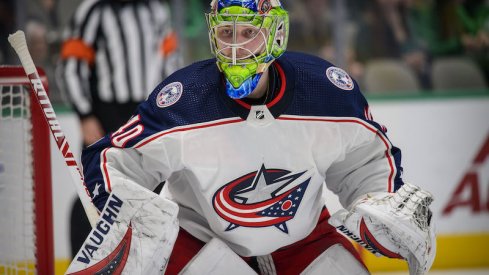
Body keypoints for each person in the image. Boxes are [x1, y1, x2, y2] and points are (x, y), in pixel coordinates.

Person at [80, 0, 436, 274]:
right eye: (227, 32)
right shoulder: (184, 100)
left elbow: (366, 160)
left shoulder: (326, 91)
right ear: (212, 34)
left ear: (276, 33)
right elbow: (113, 159)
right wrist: (121, 216)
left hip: (303, 241)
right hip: (203, 241)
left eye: (249, 32)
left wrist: (376, 206)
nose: (236, 47)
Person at [59, 0, 182, 258]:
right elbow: (71, 66)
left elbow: (171, 62)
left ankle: (145, 260)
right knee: (100, 194)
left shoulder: (157, 9)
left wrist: (172, 111)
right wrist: (86, 114)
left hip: (149, 114)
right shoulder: (93, 10)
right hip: (107, 116)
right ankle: (93, 261)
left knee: (155, 192)